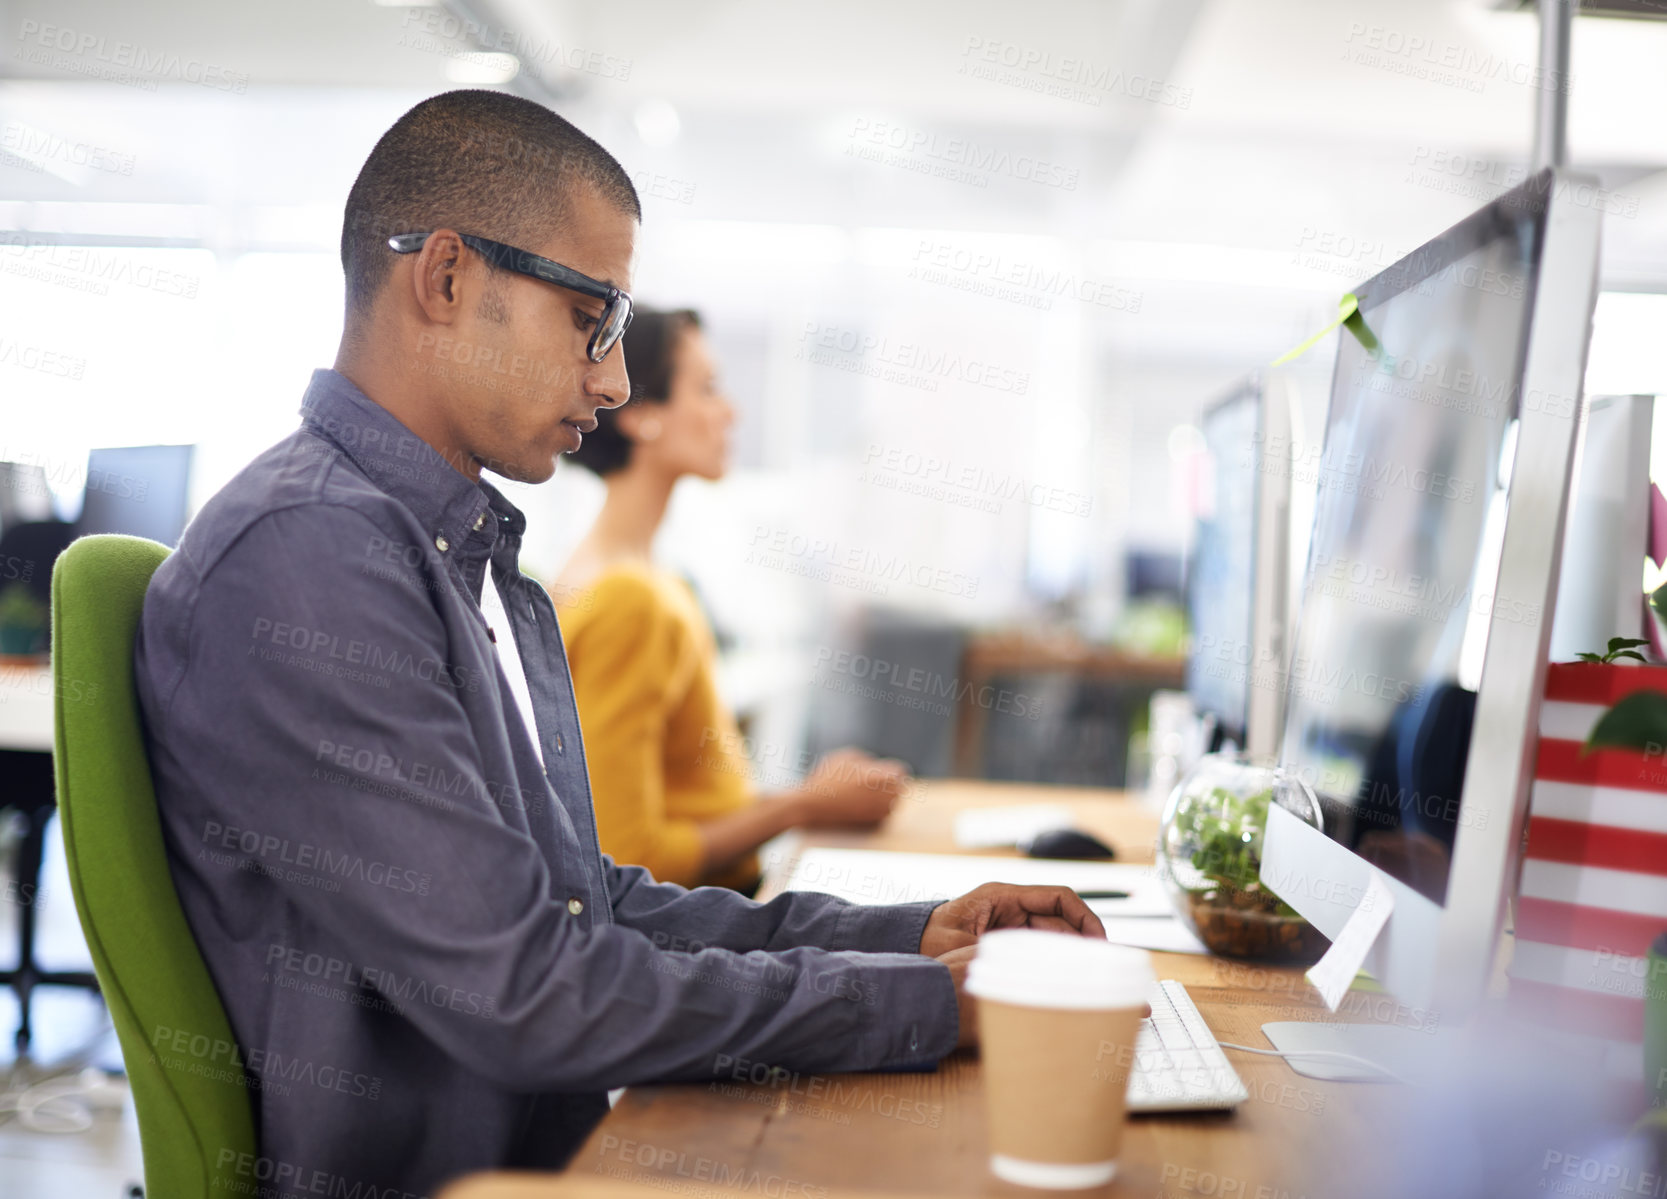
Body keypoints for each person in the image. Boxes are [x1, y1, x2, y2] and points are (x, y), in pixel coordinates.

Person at [133, 89, 1104, 1199]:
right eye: (590, 318)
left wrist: (911, 936)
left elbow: (587, 900)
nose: (613, 379)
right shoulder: (309, 553)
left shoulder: (439, 552)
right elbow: (531, 988)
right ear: (446, 278)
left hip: (555, 1143)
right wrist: (935, 1005)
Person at [555, 307, 909, 891]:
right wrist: (803, 805)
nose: (732, 411)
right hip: (699, 933)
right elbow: (626, 857)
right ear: (640, 412)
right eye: (708, 388)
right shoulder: (629, 598)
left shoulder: (616, 574)